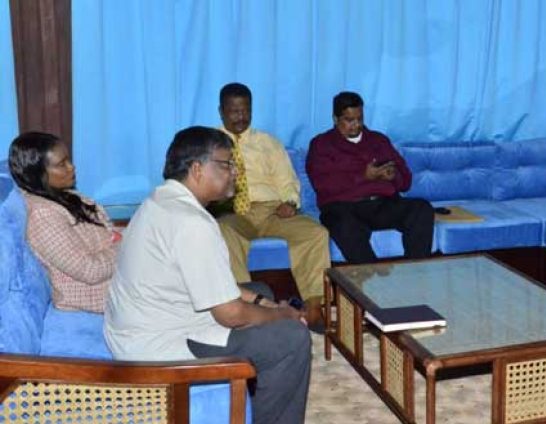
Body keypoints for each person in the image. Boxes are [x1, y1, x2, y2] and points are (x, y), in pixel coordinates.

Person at [104, 127, 310, 424]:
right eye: (227, 164)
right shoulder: (192, 223)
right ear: (198, 169)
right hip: (159, 345)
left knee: (259, 289)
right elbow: (230, 314)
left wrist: (265, 303)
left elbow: (212, 283)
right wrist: (284, 316)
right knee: (292, 338)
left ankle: (256, 392)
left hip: (143, 324)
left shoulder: (159, 201)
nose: (235, 173)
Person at [215, 82, 330, 326]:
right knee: (223, 232)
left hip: (272, 211)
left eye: (246, 110)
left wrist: (290, 201)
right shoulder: (211, 144)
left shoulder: (268, 143)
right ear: (221, 111)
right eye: (234, 111)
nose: (241, 117)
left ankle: (313, 306)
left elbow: (287, 181)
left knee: (316, 233)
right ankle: (245, 307)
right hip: (234, 212)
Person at [306, 91, 434, 264]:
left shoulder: (378, 140)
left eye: (359, 119)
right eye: (349, 120)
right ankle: (371, 278)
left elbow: (406, 182)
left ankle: (415, 272)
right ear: (335, 119)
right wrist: (363, 176)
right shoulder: (321, 144)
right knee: (342, 224)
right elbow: (322, 185)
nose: (356, 125)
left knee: (422, 208)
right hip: (344, 207)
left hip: (382, 204)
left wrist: (393, 177)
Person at [9, 132, 120, 313]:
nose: (71, 167)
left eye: (69, 160)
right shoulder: (42, 215)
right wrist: (128, 245)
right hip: (103, 295)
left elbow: (106, 231)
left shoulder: (63, 195)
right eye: (61, 164)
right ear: (37, 173)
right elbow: (89, 271)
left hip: (119, 276)